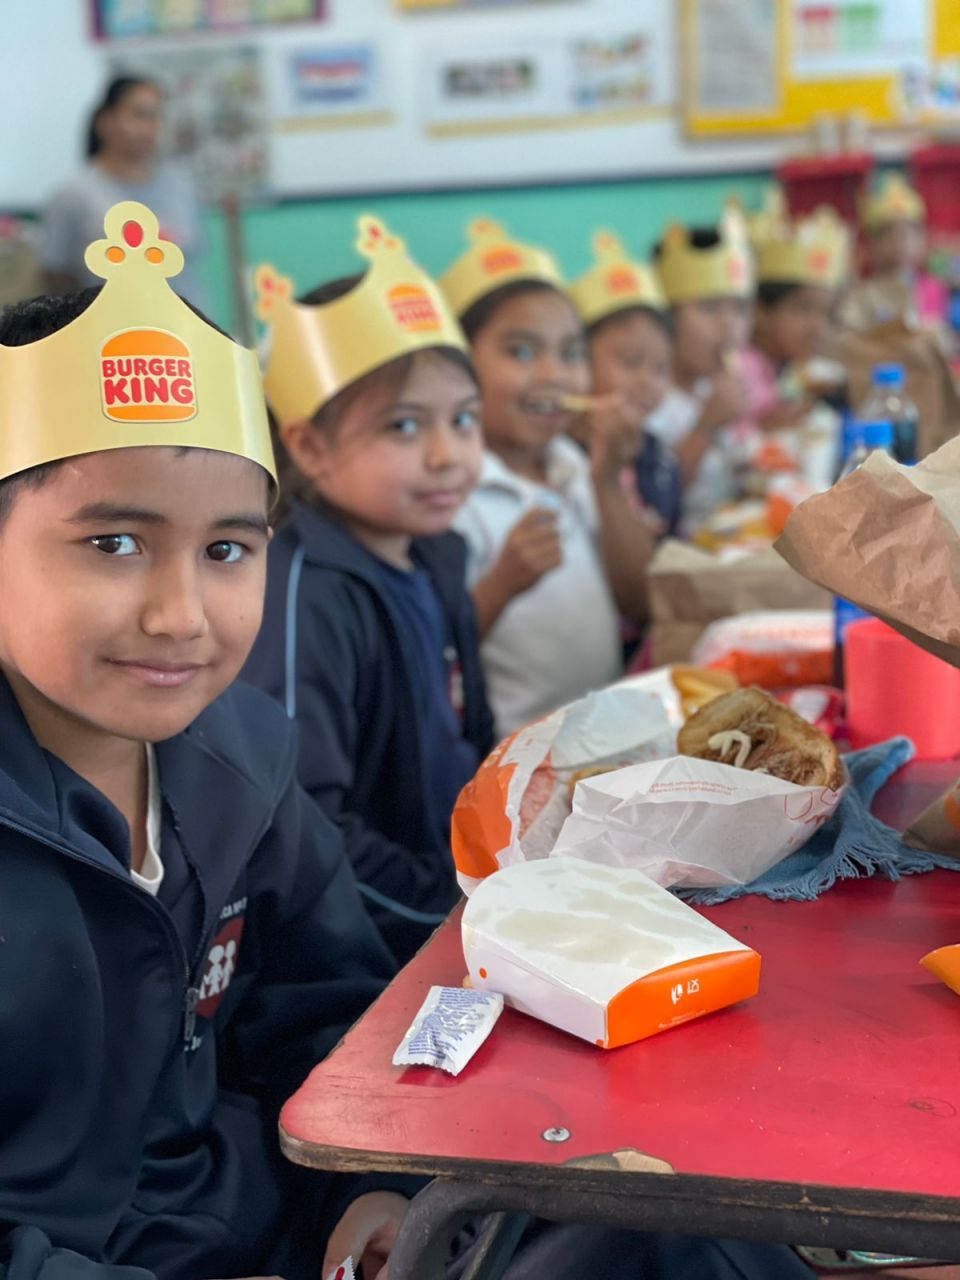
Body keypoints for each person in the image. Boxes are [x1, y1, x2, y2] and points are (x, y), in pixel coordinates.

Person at [0, 200, 413, 1280]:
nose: (181, 611)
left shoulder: (243, 764)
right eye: (116, 541)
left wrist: (366, 1181)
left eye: (228, 548)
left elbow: (328, 1012)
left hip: (242, 1227)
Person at [241, 219, 494, 967]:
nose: (447, 454)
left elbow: (468, 738)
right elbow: (305, 826)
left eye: (464, 419)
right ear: (310, 448)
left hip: (462, 911)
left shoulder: (437, 555)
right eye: (405, 425)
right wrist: (445, 908)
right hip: (376, 951)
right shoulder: (307, 596)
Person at [442, 218, 655, 737]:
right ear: (460, 365)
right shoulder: (452, 490)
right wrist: (502, 584)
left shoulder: (572, 461)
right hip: (512, 760)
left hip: (605, 735)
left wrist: (607, 482)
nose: (554, 374)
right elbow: (437, 655)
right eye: (520, 351)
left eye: (571, 352)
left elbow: (643, 602)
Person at [41, 76, 207, 307]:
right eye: (140, 115)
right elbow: (55, 273)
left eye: (157, 116)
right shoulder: (74, 194)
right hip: (109, 332)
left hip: (184, 330)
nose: (150, 127)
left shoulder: (181, 188)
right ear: (105, 122)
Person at [647, 207, 756, 530]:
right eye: (709, 309)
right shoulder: (651, 400)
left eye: (738, 309)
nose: (729, 326)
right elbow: (653, 495)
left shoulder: (710, 386)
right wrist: (707, 425)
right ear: (666, 320)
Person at [570, 230, 681, 537]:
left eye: (660, 369)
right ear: (580, 358)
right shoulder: (562, 458)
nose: (648, 381)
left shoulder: (658, 456)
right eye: (631, 362)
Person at [749, 197, 850, 417]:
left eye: (827, 313)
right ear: (762, 312)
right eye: (804, 309)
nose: (819, 327)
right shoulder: (742, 373)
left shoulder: (788, 367)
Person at [839, 173, 947, 334]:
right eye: (889, 236)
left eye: (908, 235)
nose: (900, 244)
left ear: (922, 240)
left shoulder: (933, 288)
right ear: (872, 244)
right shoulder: (862, 295)